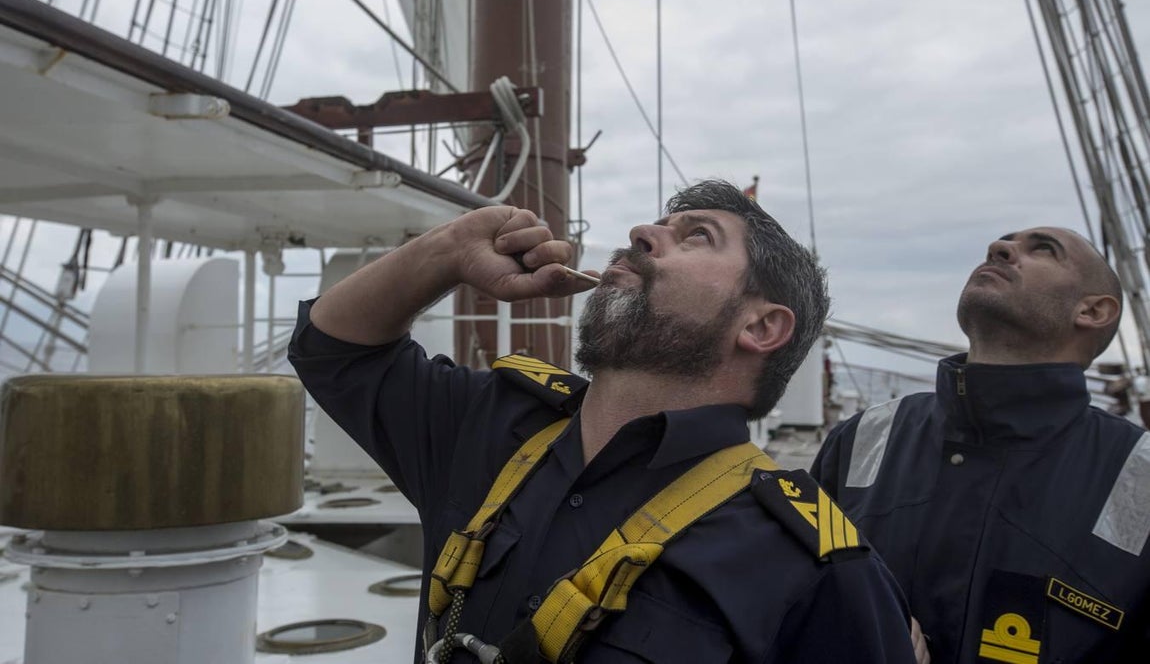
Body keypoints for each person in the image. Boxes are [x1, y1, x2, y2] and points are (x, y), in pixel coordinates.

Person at [289, 180, 919, 663]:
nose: (643, 231)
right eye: (659, 223)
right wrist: (452, 249)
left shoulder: (816, 569)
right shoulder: (493, 425)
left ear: (760, 326)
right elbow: (334, 348)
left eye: (697, 235)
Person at [811, 226, 1150, 663]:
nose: (999, 248)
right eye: (1002, 243)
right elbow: (786, 605)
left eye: (1043, 249)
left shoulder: (1139, 477)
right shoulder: (862, 438)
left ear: (1093, 310)